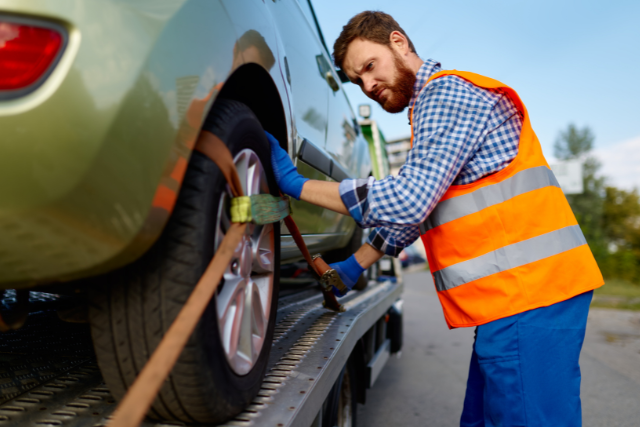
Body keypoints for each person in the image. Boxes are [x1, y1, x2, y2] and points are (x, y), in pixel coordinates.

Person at [265, 11, 604, 427]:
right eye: (357, 81)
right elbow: (421, 211)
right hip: (519, 297)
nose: (367, 86)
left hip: (530, 295)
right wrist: (357, 263)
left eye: (369, 67)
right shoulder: (430, 108)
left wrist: (297, 186)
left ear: (399, 43)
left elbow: (408, 200)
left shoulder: (445, 96)